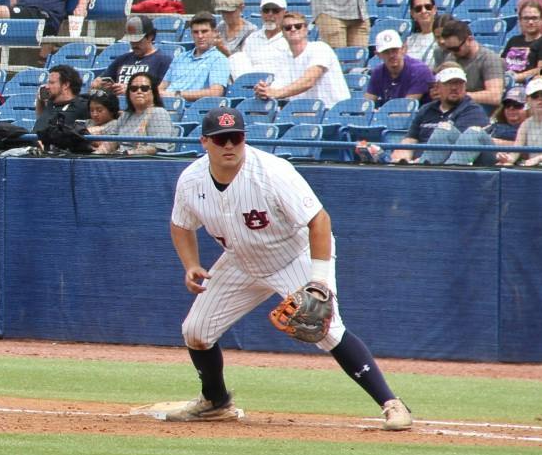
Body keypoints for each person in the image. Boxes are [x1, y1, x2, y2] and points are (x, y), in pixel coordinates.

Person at [162, 107, 411, 428]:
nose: (229, 145)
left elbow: (319, 220)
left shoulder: (272, 173)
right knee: (195, 331)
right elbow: (180, 224)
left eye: (235, 137)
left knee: (328, 331)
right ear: (204, 142)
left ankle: (392, 404)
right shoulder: (192, 180)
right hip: (241, 260)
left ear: (244, 139)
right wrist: (191, 264)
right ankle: (215, 402)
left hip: (294, 256)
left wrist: (319, 281)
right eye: (220, 139)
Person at [376, 65, 491, 164]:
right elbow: (411, 139)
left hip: (447, 167)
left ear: (465, 87)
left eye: (459, 83)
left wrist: (420, 163)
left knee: (445, 130)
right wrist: (401, 159)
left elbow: (455, 148)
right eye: (449, 83)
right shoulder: (426, 109)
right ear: (437, 87)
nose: (454, 88)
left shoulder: (472, 110)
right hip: (417, 164)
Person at [253, 12, 348, 106]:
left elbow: (308, 81)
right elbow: (277, 87)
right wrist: (264, 91)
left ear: (306, 29)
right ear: (283, 32)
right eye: (288, 27)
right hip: (302, 114)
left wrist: (277, 93)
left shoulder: (320, 48)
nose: (293, 29)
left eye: (298, 26)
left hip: (333, 111)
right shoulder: (285, 58)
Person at [433, 16, 506, 108]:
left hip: (480, 113)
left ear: (469, 40)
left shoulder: (490, 59)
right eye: (449, 49)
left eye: (456, 48)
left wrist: (459, 95)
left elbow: (495, 96)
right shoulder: (451, 57)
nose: (452, 52)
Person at [96, 74, 177, 156]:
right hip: (121, 159)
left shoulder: (159, 113)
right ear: (129, 93)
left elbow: (155, 148)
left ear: (153, 92)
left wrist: (127, 154)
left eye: (144, 88)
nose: (139, 91)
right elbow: (112, 141)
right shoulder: (126, 115)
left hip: (143, 162)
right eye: (133, 89)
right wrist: (97, 154)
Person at [165, 14, 231, 105]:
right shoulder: (180, 57)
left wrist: (177, 94)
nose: (200, 36)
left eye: (204, 31)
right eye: (196, 32)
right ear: (191, 34)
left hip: (189, 108)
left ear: (215, 32)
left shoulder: (219, 59)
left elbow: (215, 92)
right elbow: (162, 87)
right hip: (165, 104)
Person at [366, 29, 435, 105]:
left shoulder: (420, 70)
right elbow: (366, 105)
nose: (391, 55)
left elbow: (406, 108)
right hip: (390, 114)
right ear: (378, 55)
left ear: (403, 49)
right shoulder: (378, 72)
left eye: (395, 50)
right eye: (386, 52)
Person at [112, 14, 173, 91]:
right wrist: (101, 83)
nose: (134, 44)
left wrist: (130, 90)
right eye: (131, 40)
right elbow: (102, 80)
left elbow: (161, 91)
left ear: (150, 37)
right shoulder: (122, 59)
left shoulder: (163, 60)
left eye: (138, 40)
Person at [501, 4, 542, 85]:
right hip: (505, 82)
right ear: (520, 21)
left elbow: (541, 69)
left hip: (529, 85)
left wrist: (515, 77)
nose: (530, 22)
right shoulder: (513, 40)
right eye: (526, 18)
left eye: (534, 18)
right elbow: (501, 63)